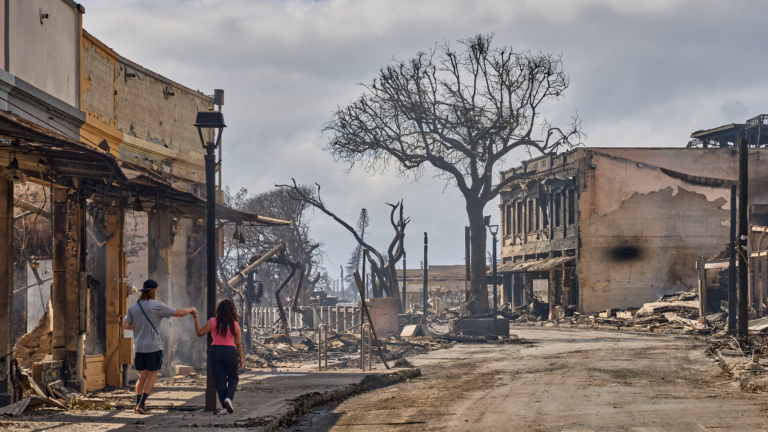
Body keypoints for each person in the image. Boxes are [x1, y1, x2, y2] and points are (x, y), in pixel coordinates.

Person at [122, 279, 197, 414]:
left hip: (138, 348)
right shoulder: (156, 306)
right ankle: (142, 404)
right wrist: (191, 309)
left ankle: (136, 404)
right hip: (152, 347)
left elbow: (126, 326)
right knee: (152, 375)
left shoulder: (134, 307)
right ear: (154, 290)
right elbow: (178, 313)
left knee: (141, 377)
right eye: (156, 290)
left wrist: (139, 326)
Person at [192, 299, 243, 415]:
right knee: (233, 378)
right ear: (232, 310)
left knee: (220, 381)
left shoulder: (212, 321)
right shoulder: (235, 324)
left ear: (219, 310)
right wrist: (241, 357)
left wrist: (195, 319)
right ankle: (228, 398)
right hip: (230, 351)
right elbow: (239, 343)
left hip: (214, 351)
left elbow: (199, 333)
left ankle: (225, 407)